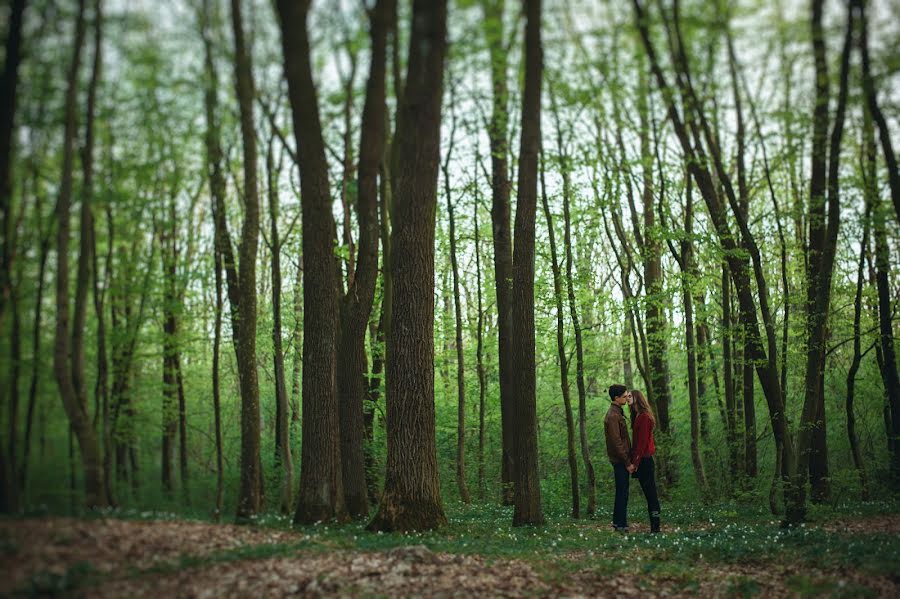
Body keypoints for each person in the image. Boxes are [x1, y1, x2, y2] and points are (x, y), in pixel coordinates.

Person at [629, 389, 661, 533]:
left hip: (645, 461)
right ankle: (655, 526)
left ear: (637, 398)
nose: (627, 398)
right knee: (649, 494)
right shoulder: (637, 416)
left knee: (651, 495)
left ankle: (656, 527)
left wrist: (635, 463)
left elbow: (641, 444)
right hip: (642, 460)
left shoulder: (644, 417)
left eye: (630, 396)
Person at [604, 384, 633, 532]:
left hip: (621, 459)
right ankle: (621, 524)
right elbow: (617, 441)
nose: (626, 398)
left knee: (622, 491)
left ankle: (618, 522)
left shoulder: (617, 413)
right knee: (622, 492)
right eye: (624, 396)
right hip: (620, 460)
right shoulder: (613, 415)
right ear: (616, 398)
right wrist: (627, 462)